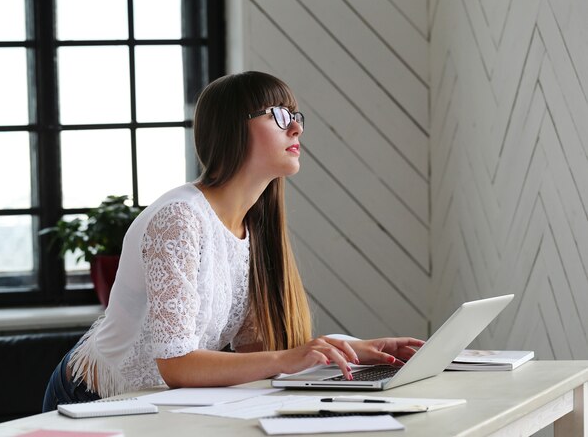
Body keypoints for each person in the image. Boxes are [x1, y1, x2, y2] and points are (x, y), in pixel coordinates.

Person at [42, 71, 424, 411]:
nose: (296, 128)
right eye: (278, 115)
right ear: (231, 129)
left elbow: (255, 350)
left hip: (161, 400)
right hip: (93, 397)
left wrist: (343, 352)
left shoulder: (252, 227)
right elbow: (177, 365)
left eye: (295, 116)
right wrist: (289, 359)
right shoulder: (180, 219)